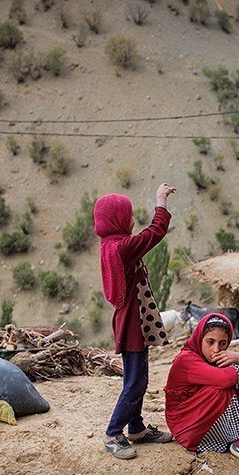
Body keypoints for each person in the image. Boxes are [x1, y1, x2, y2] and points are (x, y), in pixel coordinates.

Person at [93, 184, 177, 459]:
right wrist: (161, 201)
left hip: (132, 319)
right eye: (127, 215)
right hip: (133, 322)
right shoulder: (122, 248)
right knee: (136, 382)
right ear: (118, 218)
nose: (130, 221)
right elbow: (155, 233)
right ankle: (113, 432)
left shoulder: (109, 245)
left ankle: (137, 428)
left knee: (137, 376)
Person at [164, 313, 239, 473]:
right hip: (186, 426)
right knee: (227, 384)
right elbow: (226, 380)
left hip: (202, 416)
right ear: (199, 337)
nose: (216, 349)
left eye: (222, 343)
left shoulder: (215, 358)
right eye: (210, 342)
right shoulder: (186, 360)